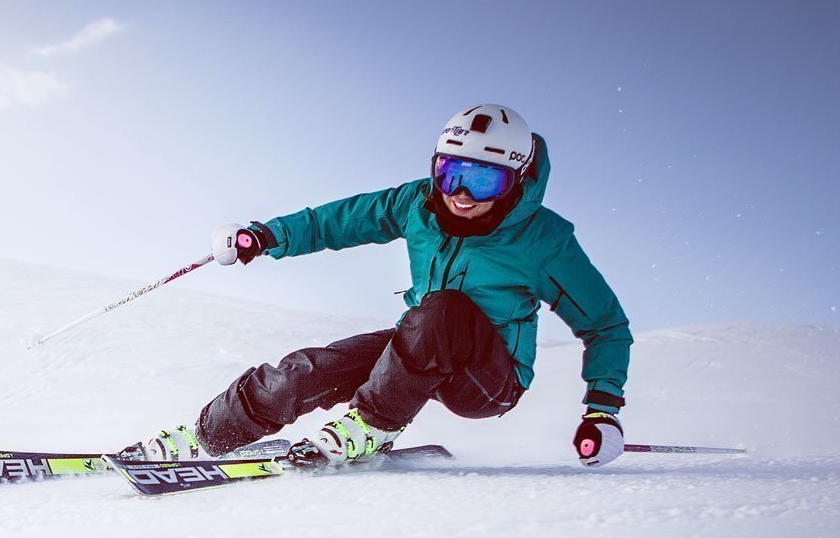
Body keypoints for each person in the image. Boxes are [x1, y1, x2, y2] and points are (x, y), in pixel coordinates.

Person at [130, 104, 632, 469]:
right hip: (417, 351)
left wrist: (603, 410)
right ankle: (207, 437)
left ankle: (372, 426)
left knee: (443, 311)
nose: (459, 194)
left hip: (489, 381)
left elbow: (606, 325)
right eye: (451, 172)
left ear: (516, 181)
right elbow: (338, 221)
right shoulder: (419, 204)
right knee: (310, 368)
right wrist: (265, 236)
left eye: (482, 182)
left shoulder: (544, 240)